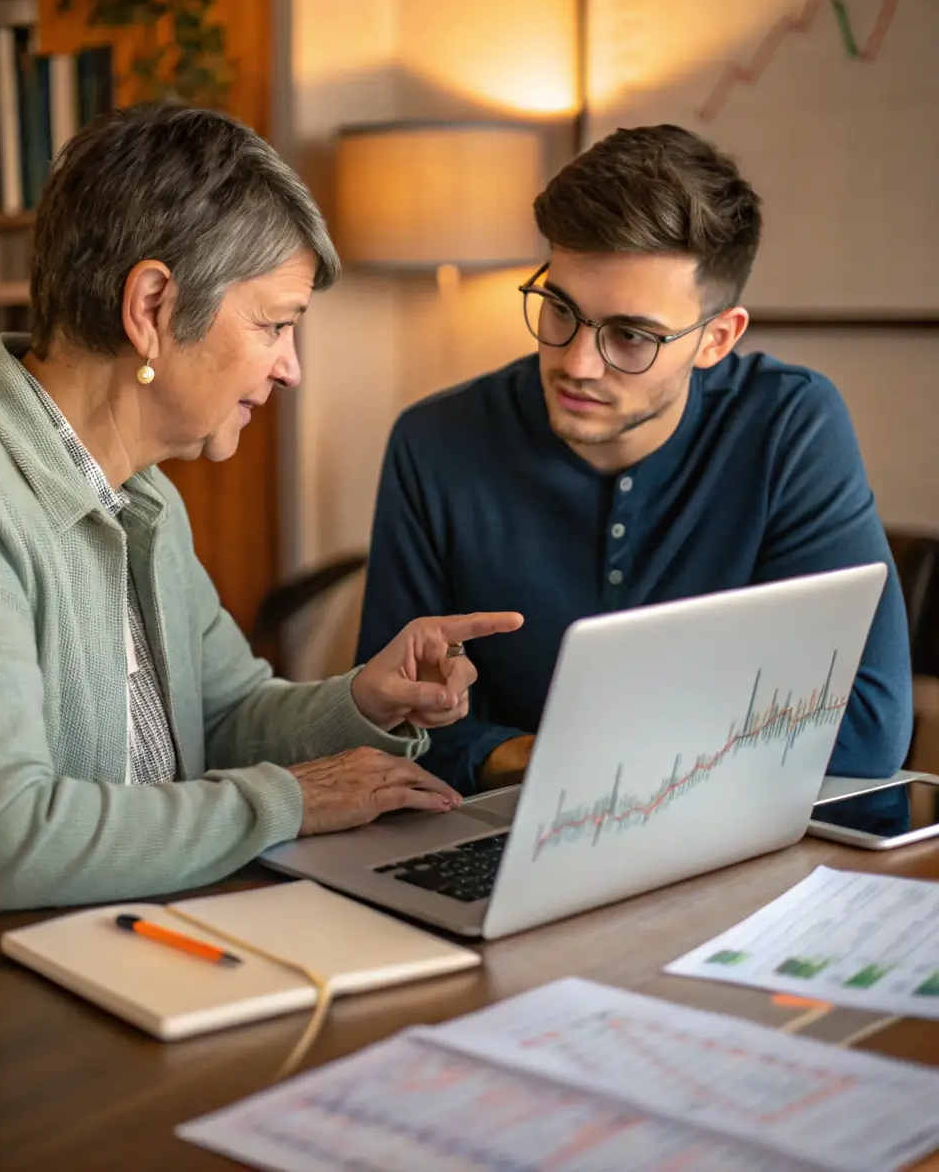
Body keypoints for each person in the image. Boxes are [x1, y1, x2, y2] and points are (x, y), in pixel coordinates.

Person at [0, 104, 522, 913]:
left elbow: (226, 715)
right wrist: (292, 799)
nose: (290, 369)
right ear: (153, 307)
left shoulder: (146, 494)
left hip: (151, 931)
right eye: (275, 324)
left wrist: (363, 702)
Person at [356, 124, 913, 795]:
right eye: (559, 308)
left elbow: (868, 728)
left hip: (727, 844)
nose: (577, 363)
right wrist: (531, 759)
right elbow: (388, 722)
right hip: (502, 832)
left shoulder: (788, 426)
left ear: (716, 338)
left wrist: (556, 756)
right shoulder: (434, 442)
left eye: (631, 336)